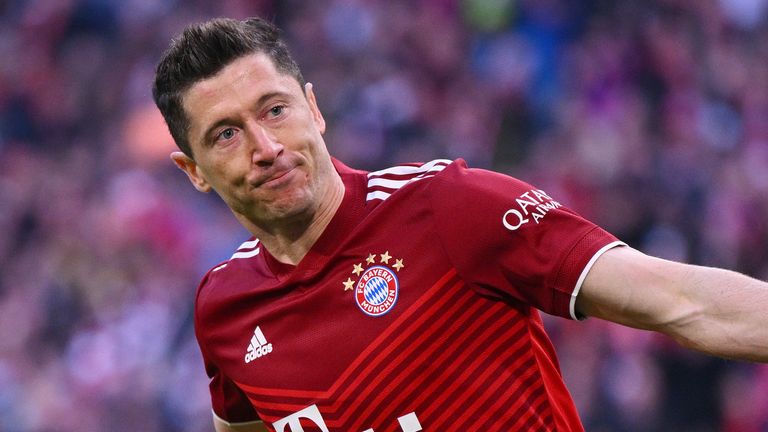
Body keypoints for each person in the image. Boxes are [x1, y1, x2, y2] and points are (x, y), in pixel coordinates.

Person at [152, 17, 768, 432]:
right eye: (226, 134)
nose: (265, 146)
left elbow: (680, 301)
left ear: (313, 109)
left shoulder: (445, 207)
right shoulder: (225, 309)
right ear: (194, 170)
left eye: (276, 110)